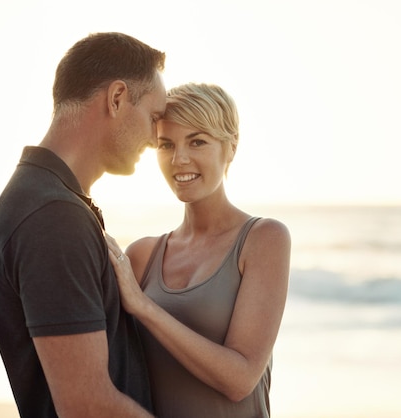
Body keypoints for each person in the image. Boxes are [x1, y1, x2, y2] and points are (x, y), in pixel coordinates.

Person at [0, 32, 166, 418]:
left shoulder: (50, 199)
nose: (156, 137)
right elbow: (87, 406)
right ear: (117, 99)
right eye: (153, 117)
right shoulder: (52, 215)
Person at [105, 82, 291, 418]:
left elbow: (241, 378)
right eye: (166, 144)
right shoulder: (141, 256)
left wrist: (144, 306)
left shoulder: (264, 239)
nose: (180, 159)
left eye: (198, 141)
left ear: (230, 148)